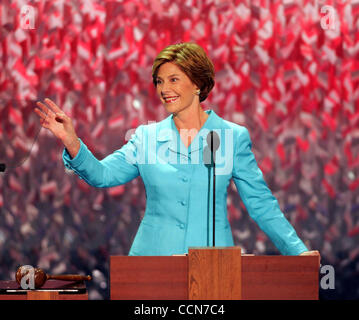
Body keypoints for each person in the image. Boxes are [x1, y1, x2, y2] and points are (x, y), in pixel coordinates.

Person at [35, 42, 318, 257]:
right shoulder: (146, 137)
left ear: (197, 84)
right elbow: (103, 175)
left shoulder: (229, 137)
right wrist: (71, 140)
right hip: (152, 262)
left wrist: (299, 253)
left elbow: (261, 205)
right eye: (159, 81)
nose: (164, 89)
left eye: (173, 79)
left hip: (213, 264)